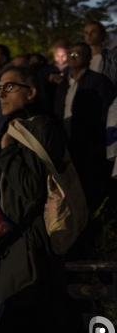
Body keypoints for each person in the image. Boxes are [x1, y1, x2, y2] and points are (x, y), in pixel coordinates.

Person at [0, 65, 69, 333]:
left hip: (32, 244)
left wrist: (6, 151)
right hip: (15, 240)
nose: (1, 93)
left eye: (10, 87)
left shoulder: (43, 128)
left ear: (32, 93)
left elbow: (30, 188)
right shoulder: (17, 128)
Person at [53, 42, 116, 209]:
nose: (72, 57)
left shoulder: (99, 81)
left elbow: (107, 112)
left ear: (88, 58)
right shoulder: (64, 84)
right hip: (67, 141)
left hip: (90, 143)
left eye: (77, 53)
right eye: (71, 53)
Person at [84, 21, 117, 86]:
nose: (89, 35)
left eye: (93, 32)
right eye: (86, 32)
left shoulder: (112, 57)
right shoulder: (82, 58)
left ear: (102, 35)